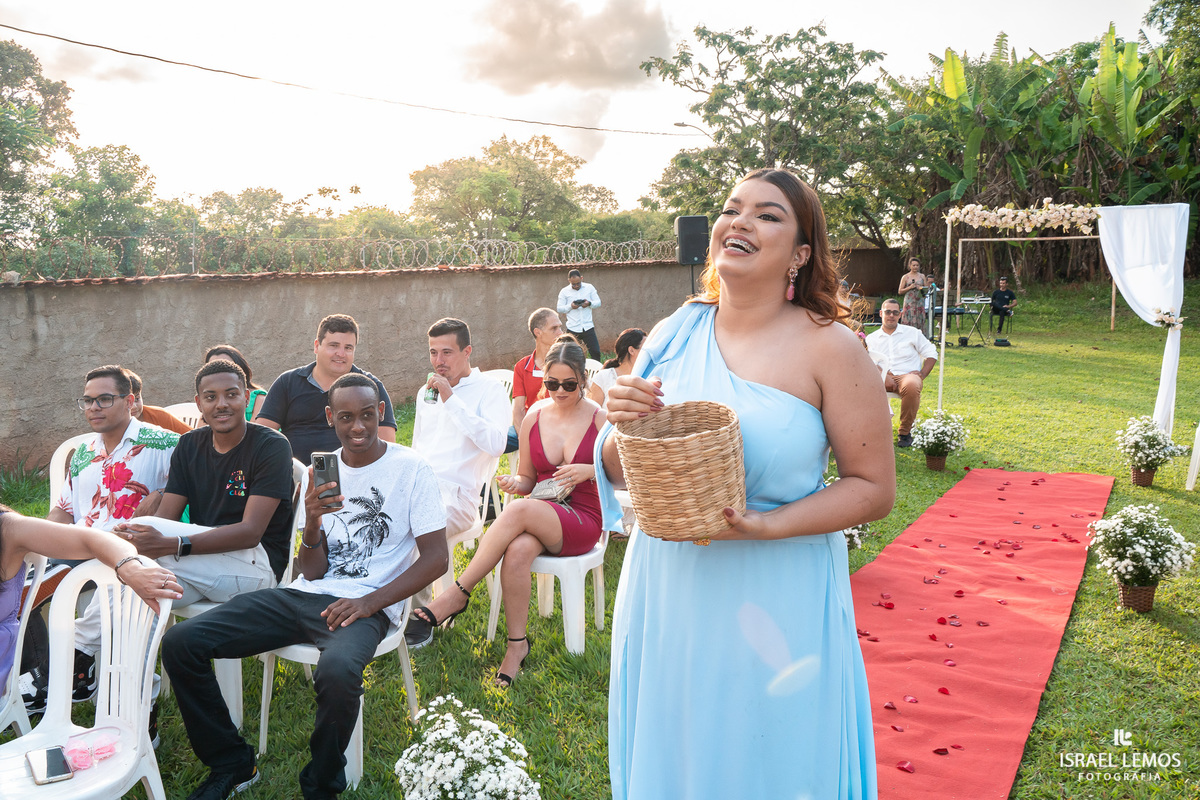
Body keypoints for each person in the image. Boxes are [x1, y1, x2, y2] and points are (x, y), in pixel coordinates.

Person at [596, 168, 894, 799]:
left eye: (768, 214)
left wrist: (769, 525)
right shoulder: (675, 332)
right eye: (733, 209)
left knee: (772, 759)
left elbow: (872, 487)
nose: (741, 222)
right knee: (678, 753)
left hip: (778, 584)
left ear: (802, 252)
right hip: (671, 585)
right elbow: (621, 463)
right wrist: (619, 423)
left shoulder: (832, 348)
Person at [163, 373, 448, 800]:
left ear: (381, 412)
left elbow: (437, 558)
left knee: (336, 673)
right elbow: (310, 570)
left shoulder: (411, 469)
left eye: (368, 416)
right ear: (331, 417)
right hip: (303, 595)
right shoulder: (320, 470)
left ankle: (321, 785)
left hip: (366, 606)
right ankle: (232, 763)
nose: (358, 427)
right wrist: (312, 520)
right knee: (182, 642)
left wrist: (369, 602)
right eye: (347, 417)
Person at [74, 359, 295, 701]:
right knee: (143, 589)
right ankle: (140, 707)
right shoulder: (190, 446)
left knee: (144, 551)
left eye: (231, 394)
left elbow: (251, 532)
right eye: (211, 396)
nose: (221, 404)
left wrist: (170, 544)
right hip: (198, 566)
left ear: (246, 397)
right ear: (199, 403)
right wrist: (151, 546)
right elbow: (168, 517)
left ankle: (77, 645)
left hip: (256, 566)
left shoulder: (270, 446)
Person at [413, 336, 605, 687]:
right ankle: (517, 646)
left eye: (569, 384)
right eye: (551, 383)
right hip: (543, 509)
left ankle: (458, 593)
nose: (559, 391)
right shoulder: (534, 415)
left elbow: (625, 478)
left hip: (583, 517)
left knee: (517, 513)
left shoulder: (599, 419)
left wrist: (589, 470)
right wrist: (517, 482)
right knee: (516, 552)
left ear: (584, 380)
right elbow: (531, 479)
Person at [1, 506, 181, 699]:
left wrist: (129, 568)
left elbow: (97, 539)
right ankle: (76, 656)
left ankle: (77, 656)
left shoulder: (7, 528)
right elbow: (63, 509)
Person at [404, 318, 509, 648]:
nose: (439, 361)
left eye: (447, 352)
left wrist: (452, 398)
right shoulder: (426, 393)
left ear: (467, 352)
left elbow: (496, 444)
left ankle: (418, 623)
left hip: (461, 499)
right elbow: (418, 447)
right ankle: (383, 612)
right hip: (421, 489)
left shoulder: (488, 391)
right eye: (433, 352)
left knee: (416, 530)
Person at [258, 313, 397, 462]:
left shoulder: (369, 387)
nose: (341, 354)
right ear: (317, 346)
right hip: (295, 475)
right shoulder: (288, 382)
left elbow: (387, 444)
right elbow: (262, 435)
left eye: (348, 348)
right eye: (334, 346)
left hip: (354, 471)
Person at [866, 298, 939, 447]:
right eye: (888, 312)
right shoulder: (871, 338)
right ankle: (872, 430)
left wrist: (922, 374)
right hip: (880, 376)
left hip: (907, 375)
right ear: (881, 313)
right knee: (860, 387)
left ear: (900, 314)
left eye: (895, 312)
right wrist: (884, 375)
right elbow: (867, 361)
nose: (891, 315)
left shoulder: (912, 333)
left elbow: (931, 352)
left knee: (912, 385)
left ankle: (905, 433)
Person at [509, 307, 564, 452]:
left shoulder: (566, 363)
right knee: (493, 439)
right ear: (538, 332)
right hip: (530, 426)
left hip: (560, 426)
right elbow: (518, 409)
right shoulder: (522, 366)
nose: (561, 333)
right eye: (554, 328)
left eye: (560, 327)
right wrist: (524, 437)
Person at [205, 344, 269, 421]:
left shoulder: (259, 399)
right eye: (213, 368)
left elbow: (258, 432)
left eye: (227, 366)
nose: (220, 372)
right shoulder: (209, 401)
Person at [587, 328, 646, 407]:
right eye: (645, 349)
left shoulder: (649, 377)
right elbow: (592, 414)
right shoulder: (604, 377)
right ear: (631, 350)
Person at [126, 369, 192, 435]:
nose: (134, 407)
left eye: (137, 399)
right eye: (128, 401)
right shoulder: (116, 427)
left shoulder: (160, 416)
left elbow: (194, 438)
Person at [557, 269, 602, 361]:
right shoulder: (564, 291)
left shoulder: (589, 287)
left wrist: (589, 303)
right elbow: (559, 308)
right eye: (574, 284)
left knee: (595, 352)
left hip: (588, 327)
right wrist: (571, 306)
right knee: (570, 355)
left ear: (581, 278)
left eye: (578, 283)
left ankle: (596, 372)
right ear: (569, 280)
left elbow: (598, 302)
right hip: (573, 328)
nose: (576, 286)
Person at [898, 256, 927, 330]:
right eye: (913, 265)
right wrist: (910, 287)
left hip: (919, 301)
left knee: (919, 318)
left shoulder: (922, 276)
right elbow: (900, 291)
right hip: (909, 302)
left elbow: (927, 289)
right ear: (910, 266)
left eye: (917, 265)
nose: (915, 267)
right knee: (909, 318)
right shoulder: (905, 277)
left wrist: (920, 288)